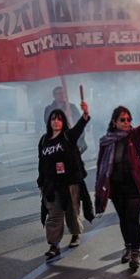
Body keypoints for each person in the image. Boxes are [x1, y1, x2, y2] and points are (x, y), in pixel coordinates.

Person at [95, 85, 140, 271]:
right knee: (123, 220)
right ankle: (127, 248)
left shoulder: (134, 136)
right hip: (116, 187)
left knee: (133, 219)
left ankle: (135, 253)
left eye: (129, 119)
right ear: (114, 122)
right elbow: (101, 166)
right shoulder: (106, 141)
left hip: (135, 186)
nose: (127, 122)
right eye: (123, 120)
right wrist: (100, 190)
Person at [38, 100, 90, 259]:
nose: (56, 121)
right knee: (54, 215)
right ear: (49, 122)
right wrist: (41, 182)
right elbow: (41, 162)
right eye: (53, 119)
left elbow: (81, 126)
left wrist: (85, 114)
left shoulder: (68, 136)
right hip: (52, 185)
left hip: (70, 183)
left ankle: (75, 234)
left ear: (63, 122)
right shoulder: (43, 140)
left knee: (72, 212)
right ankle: (54, 245)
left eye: (59, 118)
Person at [44, 86, 87, 153]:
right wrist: (64, 116)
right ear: (54, 95)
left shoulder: (72, 107)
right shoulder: (49, 108)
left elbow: (79, 122)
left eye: (62, 93)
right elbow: (47, 121)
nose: (61, 95)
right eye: (58, 93)